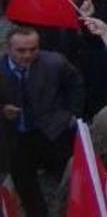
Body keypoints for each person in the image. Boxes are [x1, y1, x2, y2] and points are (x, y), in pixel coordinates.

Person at [0, 26, 84, 216]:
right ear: (8, 48)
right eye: (21, 51)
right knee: (28, 190)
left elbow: (75, 83)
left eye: (33, 49)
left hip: (51, 133)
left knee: (69, 181)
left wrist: (71, 115)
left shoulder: (54, 62)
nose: (28, 55)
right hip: (15, 140)